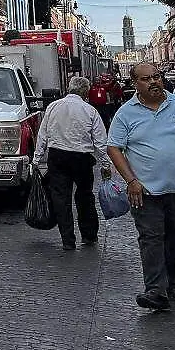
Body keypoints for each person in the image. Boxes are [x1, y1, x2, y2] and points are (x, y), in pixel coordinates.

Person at [108, 63, 175, 311]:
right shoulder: (126, 113)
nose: (154, 82)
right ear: (136, 83)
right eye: (146, 79)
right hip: (146, 192)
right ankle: (155, 290)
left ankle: (174, 284)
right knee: (151, 238)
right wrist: (131, 181)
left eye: (157, 77)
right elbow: (114, 147)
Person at [33, 76, 111, 250]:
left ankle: (68, 240)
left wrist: (36, 159)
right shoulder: (90, 111)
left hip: (57, 157)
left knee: (61, 199)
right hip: (82, 159)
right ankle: (89, 235)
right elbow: (100, 142)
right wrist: (106, 165)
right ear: (85, 91)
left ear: (69, 89)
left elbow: (42, 135)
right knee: (85, 197)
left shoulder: (53, 107)